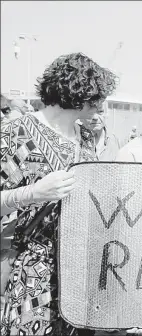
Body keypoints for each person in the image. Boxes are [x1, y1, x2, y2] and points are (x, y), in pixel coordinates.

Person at [0, 52, 117, 336]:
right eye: (96, 98)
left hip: (79, 269)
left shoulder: (86, 138)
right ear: (77, 93)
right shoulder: (16, 133)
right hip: (31, 270)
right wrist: (33, 192)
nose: (100, 106)